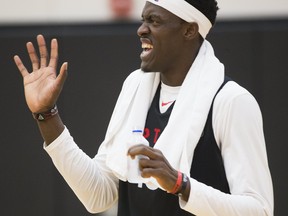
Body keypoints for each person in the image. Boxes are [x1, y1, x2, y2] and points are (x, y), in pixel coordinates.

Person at [14, 0, 274, 215]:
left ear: (189, 30)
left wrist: (181, 185)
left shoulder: (231, 101)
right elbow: (99, 195)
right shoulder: (134, 87)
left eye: (155, 21)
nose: (141, 30)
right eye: (143, 20)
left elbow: (260, 210)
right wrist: (47, 115)